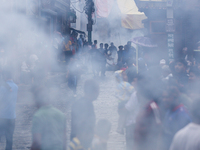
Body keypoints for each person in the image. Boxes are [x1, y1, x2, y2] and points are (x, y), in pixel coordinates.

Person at [31, 85, 66, 150]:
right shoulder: (61, 115)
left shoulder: (38, 116)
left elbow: (36, 143)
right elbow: (64, 140)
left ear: (37, 100)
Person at [70, 79, 99, 149]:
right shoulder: (86, 105)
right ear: (95, 92)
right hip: (81, 144)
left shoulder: (82, 103)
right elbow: (82, 126)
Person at [162, 86, 191, 150]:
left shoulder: (182, 113)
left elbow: (183, 140)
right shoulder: (169, 110)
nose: (164, 100)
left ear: (175, 98)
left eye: (167, 97)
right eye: (163, 97)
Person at [0, 70, 18, 150]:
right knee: (9, 139)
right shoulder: (16, 87)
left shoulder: (2, 88)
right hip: (12, 117)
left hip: (2, 117)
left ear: (5, 76)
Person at [115, 70, 134, 134]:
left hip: (120, 103)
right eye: (124, 75)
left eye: (125, 75)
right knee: (125, 115)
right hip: (125, 102)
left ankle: (120, 128)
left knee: (122, 116)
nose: (126, 76)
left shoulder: (118, 84)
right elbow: (133, 91)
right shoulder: (126, 84)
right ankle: (120, 128)